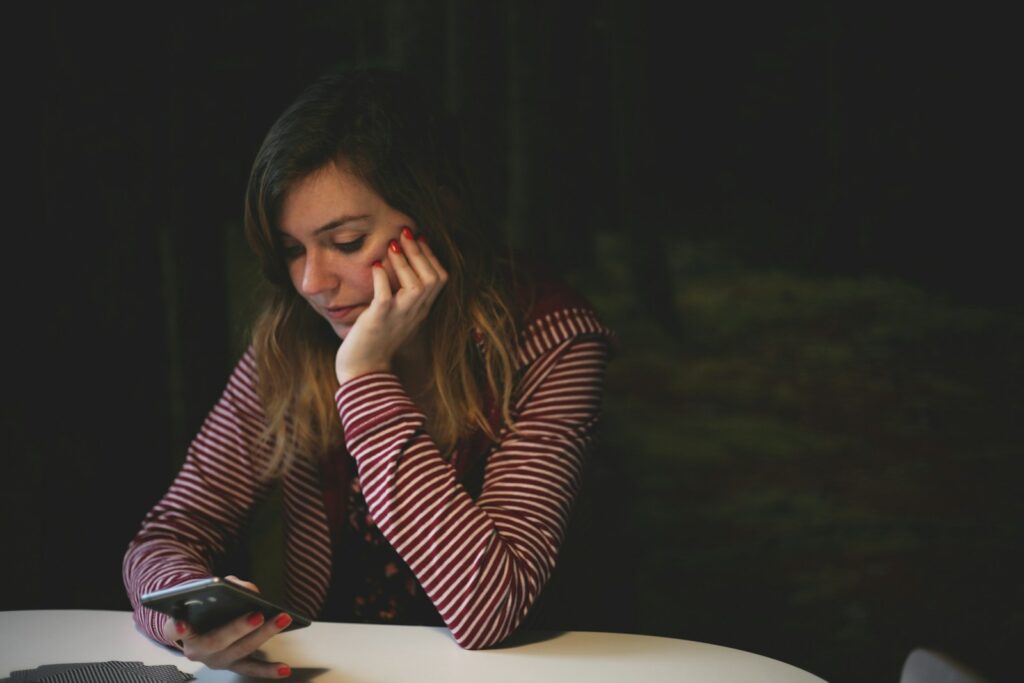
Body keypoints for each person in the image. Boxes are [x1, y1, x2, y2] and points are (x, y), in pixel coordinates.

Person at [123, 66, 614, 678]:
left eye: (347, 241)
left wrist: (363, 375)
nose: (311, 283)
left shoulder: (551, 338)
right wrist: (185, 613)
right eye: (293, 249)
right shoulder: (290, 342)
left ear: (435, 217)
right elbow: (168, 533)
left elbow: (488, 609)